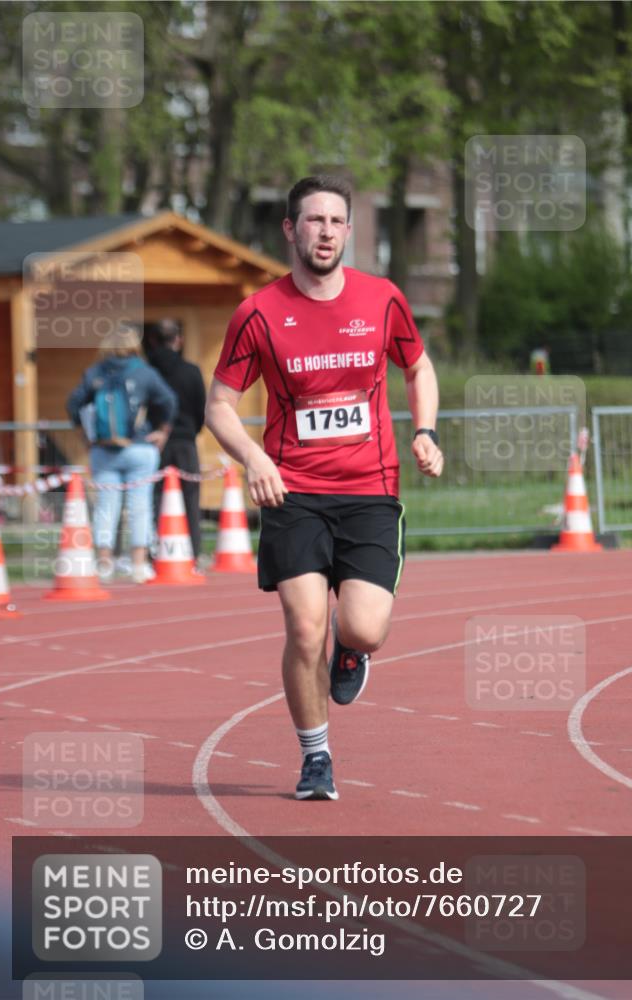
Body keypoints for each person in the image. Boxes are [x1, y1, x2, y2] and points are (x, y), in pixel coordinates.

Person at [205, 175, 443, 800]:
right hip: (294, 491)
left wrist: (426, 431)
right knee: (303, 626)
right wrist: (254, 459)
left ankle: (351, 650)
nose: (327, 232)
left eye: (337, 221)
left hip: (370, 489)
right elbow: (220, 406)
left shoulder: (382, 299)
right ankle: (316, 759)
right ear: (291, 229)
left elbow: (417, 367)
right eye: (314, 221)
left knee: (363, 629)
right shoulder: (256, 313)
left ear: (348, 230)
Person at [67, 326, 177, 583]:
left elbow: (73, 404)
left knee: (106, 506)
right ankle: (139, 565)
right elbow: (169, 401)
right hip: (139, 446)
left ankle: (104, 564)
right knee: (140, 506)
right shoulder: (144, 372)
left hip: (104, 449)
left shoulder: (95, 372)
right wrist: (162, 431)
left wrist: (86, 437)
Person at [145, 320, 207, 561]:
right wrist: (192, 430)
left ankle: (157, 551)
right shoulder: (191, 371)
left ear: (152, 340)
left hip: (154, 440)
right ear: (178, 340)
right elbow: (201, 407)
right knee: (190, 497)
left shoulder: (148, 370)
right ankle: (193, 551)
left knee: (156, 497)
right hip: (185, 440)